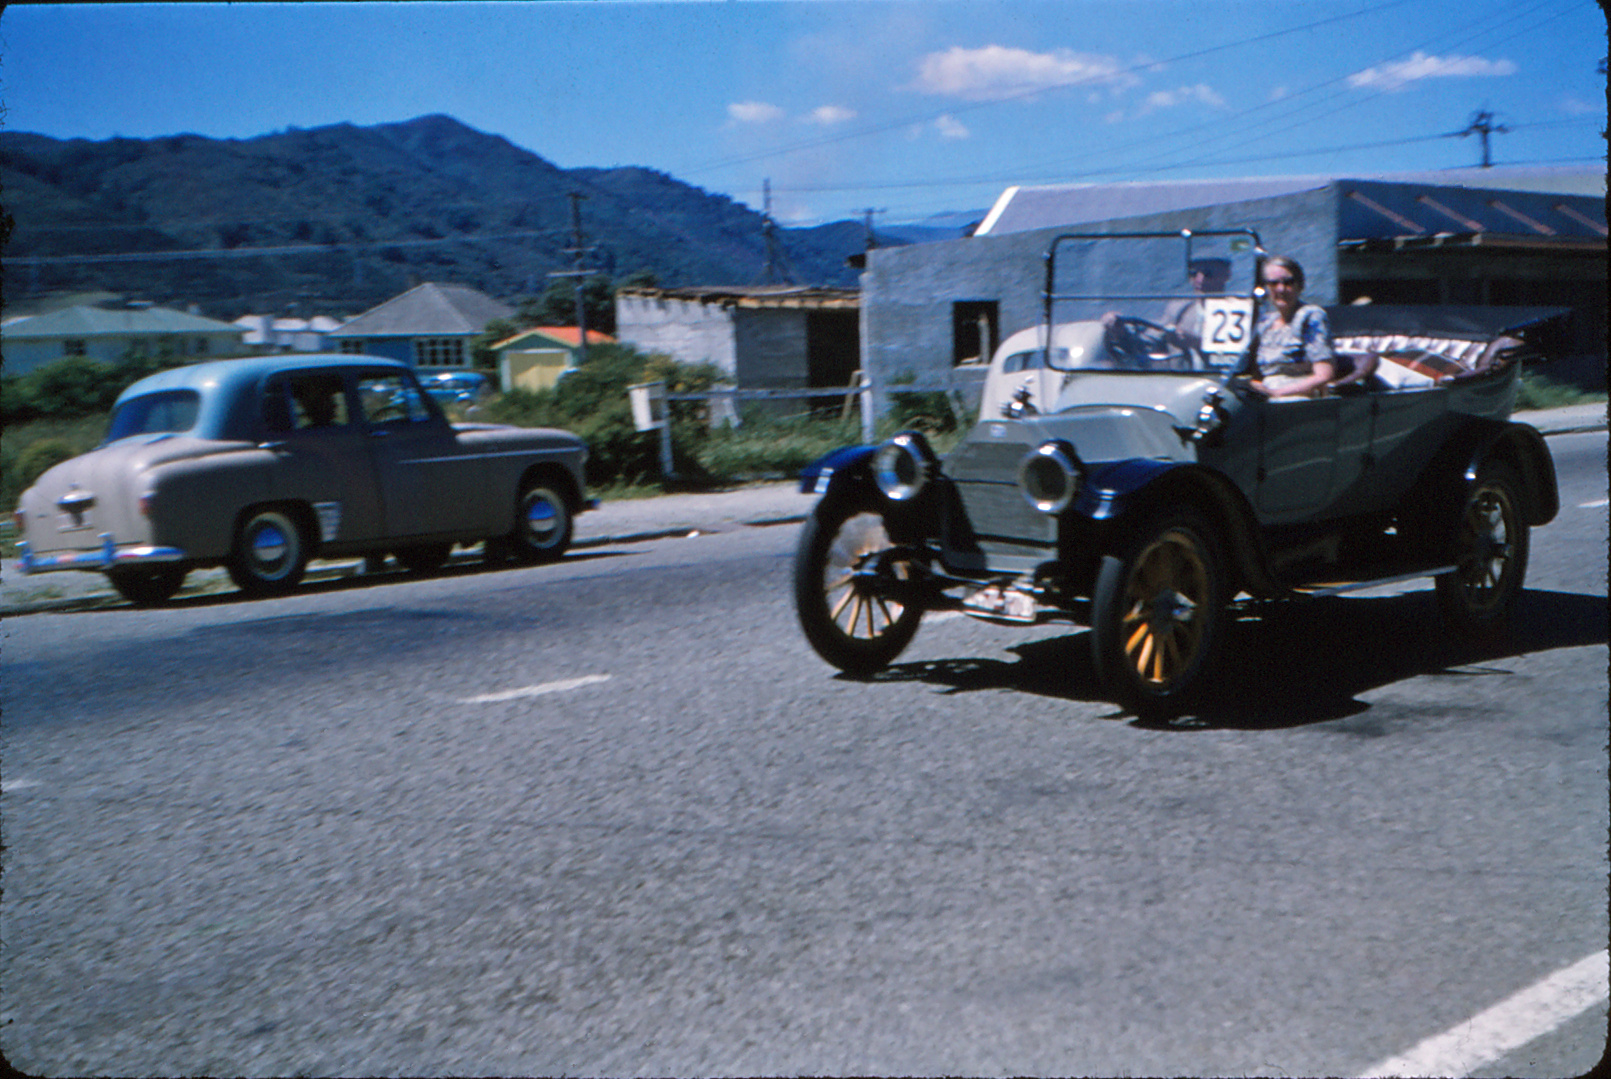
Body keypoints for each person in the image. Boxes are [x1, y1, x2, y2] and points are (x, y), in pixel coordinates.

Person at [1248, 255, 1335, 398]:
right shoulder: (1265, 323)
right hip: (1265, 394)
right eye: (1273, 283)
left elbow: (1323, 375)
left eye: (1288, 283)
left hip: (1297, 396)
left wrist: (1277, 393)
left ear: (1299, 286)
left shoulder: (1310, 316)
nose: (1281, 289)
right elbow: (1256, 375)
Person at [1162, 256, 1231, 350]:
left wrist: (1195, 342)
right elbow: (1155, 334)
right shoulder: (1178, 310)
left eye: (1207, 274)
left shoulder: (1238, 311)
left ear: (1226, 275)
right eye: (1194, 274)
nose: (1199, 280)